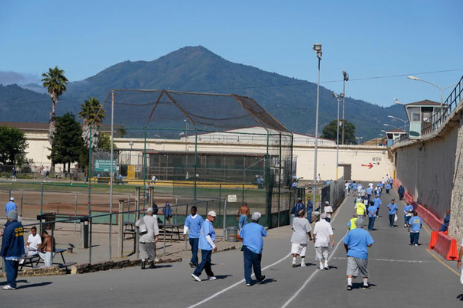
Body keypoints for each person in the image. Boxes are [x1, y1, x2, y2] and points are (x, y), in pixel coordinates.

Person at [343, 218, 374, 291]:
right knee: (364, 269)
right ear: (363, 225)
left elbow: (345, 243)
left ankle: (349, 284)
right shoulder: (366, 233)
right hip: (362, 254)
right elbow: (370, 244)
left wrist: (347, 250)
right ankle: (365, 284)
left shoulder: (351, 232)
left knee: (350, 269)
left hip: (352, 253)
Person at [240, 212, 267, 286]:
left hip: (247, 247)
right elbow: (265, 234)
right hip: (256, 248)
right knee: (256, 264)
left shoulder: (246, 226)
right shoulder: (260, 227)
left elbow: (241, 235)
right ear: (258, 219)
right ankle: (259, 278)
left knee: (247, 264)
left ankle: (248, 280)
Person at [0, 210, 24, 290]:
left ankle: (11, 284)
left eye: (7, 216)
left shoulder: (9, 228)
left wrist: (2, 252)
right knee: (15, 267)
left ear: (10, 217)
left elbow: (6, 241)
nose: (7, 217)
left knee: (10, 268)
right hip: (18, 250)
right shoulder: (19, 226)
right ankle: (13, 282)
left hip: (10, 251)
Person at [192, 211, 217, 282]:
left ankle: (210, 275)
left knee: (208, 261)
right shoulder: (206, 223)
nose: (214, 218)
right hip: (206, 245)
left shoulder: (208, 223)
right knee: (205, 260)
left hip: (207, 245)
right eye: (212, 217)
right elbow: (207, 236)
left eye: (214, 217)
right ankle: (196, 273)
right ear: (208, 216)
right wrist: (213, 245)